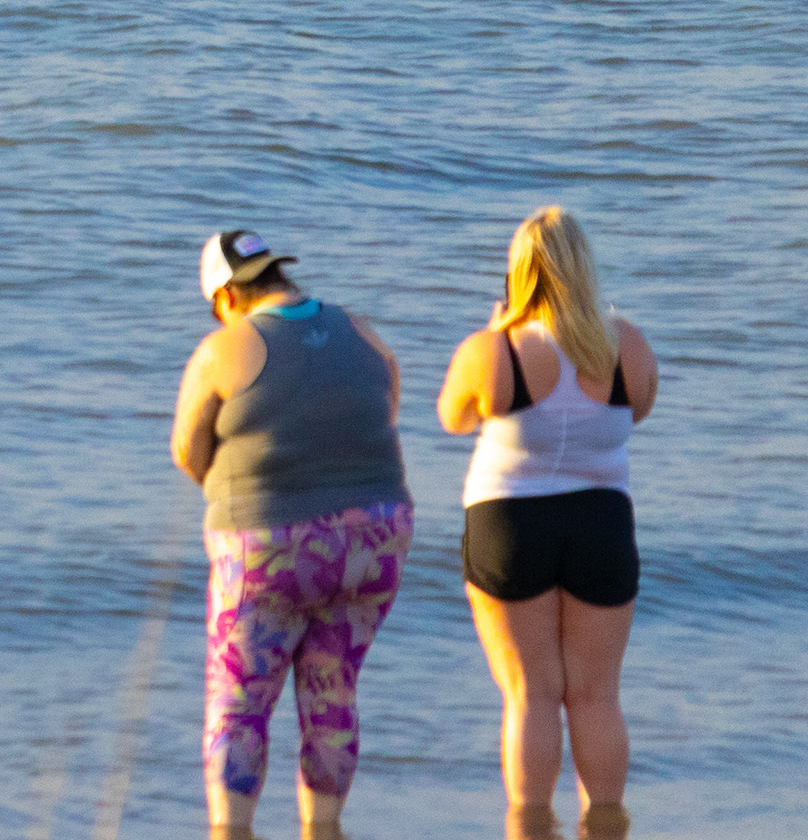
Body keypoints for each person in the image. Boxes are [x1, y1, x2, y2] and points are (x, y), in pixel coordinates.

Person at [171, 227, 415, 840]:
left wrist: (230, 490)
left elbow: (186, 450)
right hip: (376, 535)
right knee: (332, 694)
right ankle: (326, 829)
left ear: (226, 298)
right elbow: (385, 407)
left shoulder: (223, 348)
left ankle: (231, 831)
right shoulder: (361, 331)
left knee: (240, 703)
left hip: (267, 545)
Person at [436, 207, 659, 840]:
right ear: (584, 269)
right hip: (601, 518)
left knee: (530, 695)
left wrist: (492, 337)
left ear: (517, 272)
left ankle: (531, 829)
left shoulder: (495, 350)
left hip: (509, 518)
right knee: (596, 695)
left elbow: (453, 415)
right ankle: (607, 825)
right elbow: (638, 408)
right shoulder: (627, 344)